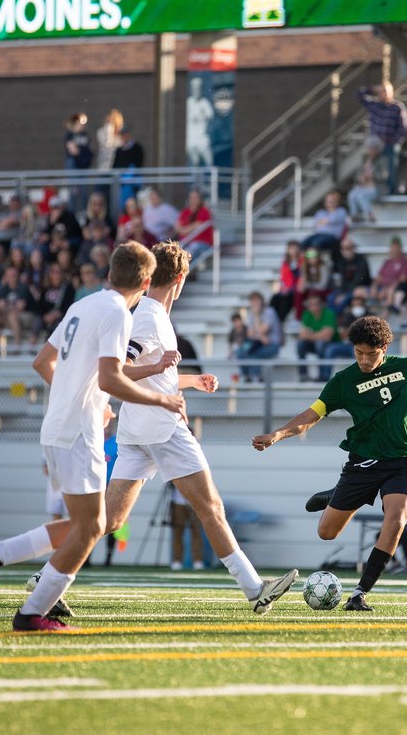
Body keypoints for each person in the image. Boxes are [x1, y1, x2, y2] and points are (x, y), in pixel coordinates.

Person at [23, 241, 299, 612]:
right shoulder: (150, 318)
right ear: (181, 278)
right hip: (162, 428)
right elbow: (122, 369)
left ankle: (45, 577)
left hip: (136, 431)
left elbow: (149, 374)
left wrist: (190, 381)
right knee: (210, 506)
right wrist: (158, 381)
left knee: (109, 518)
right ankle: (254, 589)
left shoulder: (152, 316)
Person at [0, 242, 188, 631]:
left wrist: (83, 396)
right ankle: (32, 612)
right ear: (147, 280)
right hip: (78, 432)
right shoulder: (119, 314)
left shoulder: (83, 304)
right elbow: (110, 377)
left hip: (57, 426)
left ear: (108, 274)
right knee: (90, 528)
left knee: (86, 523)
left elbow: (42, 361)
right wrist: (161, 398)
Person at [253, 315, 407, 610]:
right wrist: (277, 434)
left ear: (385, 347)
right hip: (362, 464)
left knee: (397, 519)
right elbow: (310, 416)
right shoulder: (343, 381)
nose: (364, 360)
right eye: (358, 353)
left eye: (371, 353)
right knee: (327, 532)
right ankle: (335, 496)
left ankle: (359, 593)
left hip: (402, 463)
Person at [357, 82, 407, 194]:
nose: (383, 94)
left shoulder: (397, 107)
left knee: (391, 168)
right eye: (380, 92)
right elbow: (359, 94)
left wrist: (394, 141)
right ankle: (372, 189)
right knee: (369, 165)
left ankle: (391, 191)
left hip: (390, 143)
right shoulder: (374, 105)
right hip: (375, 144)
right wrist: (372, 89)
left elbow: (402, 128)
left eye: (385, 91)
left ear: (391, 93)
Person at [235, 291, 281, 382]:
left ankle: (258, 377)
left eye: (257, 300)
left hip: (271, 345)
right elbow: (249, 334)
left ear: (262, 301)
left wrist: (256, 317)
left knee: (252, 353)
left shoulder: (269, 312)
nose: (255, 303)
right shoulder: (251, 314)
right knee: (239, 352)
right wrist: (261, 337)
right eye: (253, 301)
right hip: (258, 343)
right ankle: (246, 376)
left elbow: (262, 330)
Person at [296, 292, 339, 382]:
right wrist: (320, 334)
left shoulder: (329, 314)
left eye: (315, 304)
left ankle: (322, 376)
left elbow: (328, 337)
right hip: (316, 343)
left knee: (320, 343)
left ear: (321, 305)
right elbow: (302, 335)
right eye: (310, 304)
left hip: (331, 343)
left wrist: (310, 335)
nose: (312, 307)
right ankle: (303, 375)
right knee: (300, 344)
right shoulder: (307, 314)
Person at [370, 238, 407, 315]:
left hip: (393, 288)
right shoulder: (387, 262)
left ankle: (383, 320)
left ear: (400, 249)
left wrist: (388, 288)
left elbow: (403, 278)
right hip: (382, 288)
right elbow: (379, 277)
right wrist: (374, 286)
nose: (393, 251)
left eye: (395, 248)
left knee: (390, 292)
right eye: (392, 248)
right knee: (360, 291)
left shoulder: (406, 261)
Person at [175, 188, 215, 262]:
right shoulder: (185, 211)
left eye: (195, 198)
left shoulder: (204, 211)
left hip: (202, 243)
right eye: (191, 198)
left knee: (190, 250)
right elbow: (177, 227)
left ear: (200, 199)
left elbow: (197, 225)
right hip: (186, 243)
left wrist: (183, 230)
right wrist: (187, 228)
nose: (193, 200)